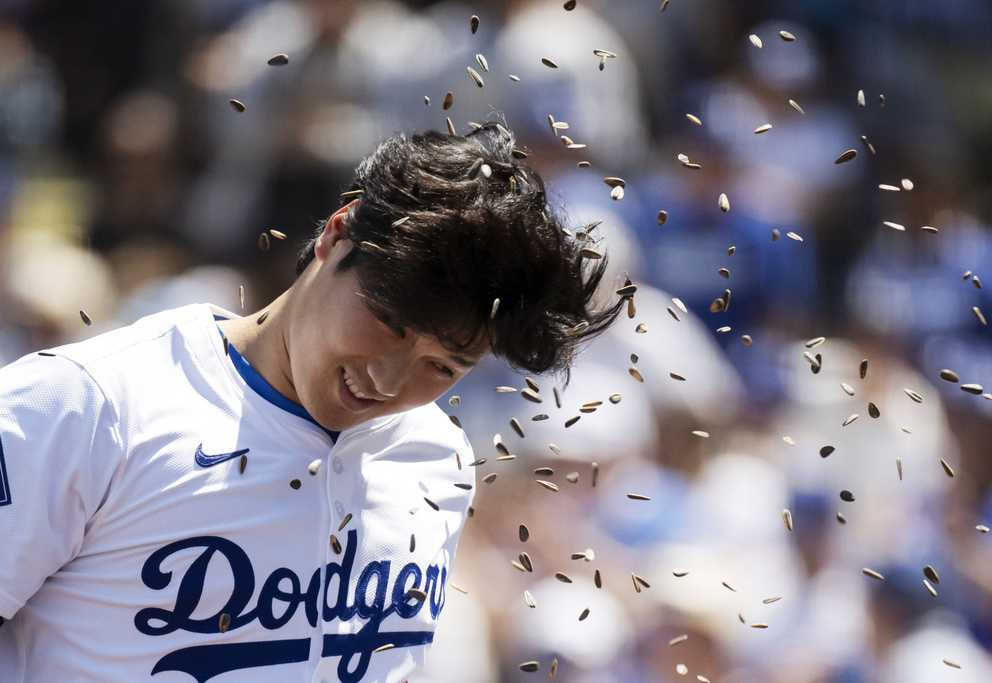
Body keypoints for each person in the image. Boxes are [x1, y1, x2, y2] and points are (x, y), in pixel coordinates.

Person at [0, 123, 622, 682]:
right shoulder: (87, 404)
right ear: (337, 234)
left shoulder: (438, 458)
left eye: (441, 366)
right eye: (387, 322)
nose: (387, 379)